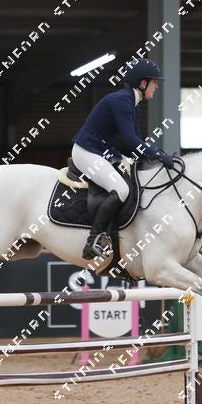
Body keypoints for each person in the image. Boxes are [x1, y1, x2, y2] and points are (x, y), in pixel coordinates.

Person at [71, 58, 174, 259]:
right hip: (86, 152)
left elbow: (135, 139)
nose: (157, 86)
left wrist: (151, 154)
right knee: (121, 189)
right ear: (143, 83)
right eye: (154, 82)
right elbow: (130, 140)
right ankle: (93, 240)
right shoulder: (122, 101)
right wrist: (157, 154)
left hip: (102, 151)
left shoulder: (131, 101)